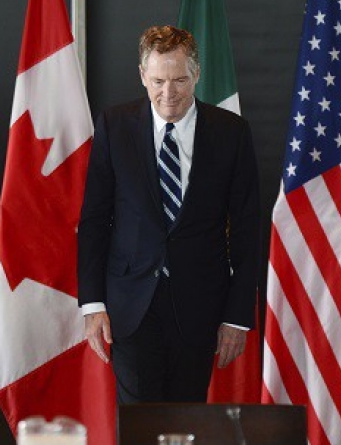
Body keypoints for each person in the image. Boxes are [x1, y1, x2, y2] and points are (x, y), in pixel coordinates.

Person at [77, 25, 259, 403]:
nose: (168, 93)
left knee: (186, 420)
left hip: (201, 305)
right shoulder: (115, 125)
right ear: (142, 75)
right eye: (158, 80)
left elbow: (246, 230)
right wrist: (92, 304)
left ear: (197, 75)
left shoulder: (231, 133)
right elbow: (94, 220)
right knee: (138, 423)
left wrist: (237, 316)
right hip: (130, 305)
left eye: (179, 80)